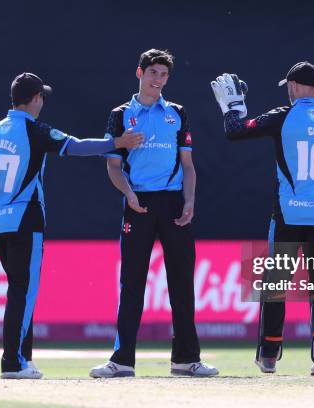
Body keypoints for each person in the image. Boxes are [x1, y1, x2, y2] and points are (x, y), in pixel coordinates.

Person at [0, 72, 143, 379]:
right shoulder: (35, 130)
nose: (42, 101)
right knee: (23, 291)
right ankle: (13, 363)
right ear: (36, 99)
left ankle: (25, 359)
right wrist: (118, 142)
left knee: (21, 290)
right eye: (41, 96)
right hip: (24, 217)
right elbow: (77, 147)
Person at [211, 62, 314, 375]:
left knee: (276, 283)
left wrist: (232, 108)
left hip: (289, 215)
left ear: (292, 86)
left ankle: (268, 353)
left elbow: (235, 131)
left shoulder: (283, 116)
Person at [89, 49, 218, 378]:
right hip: (139, 204)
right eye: (153, 73)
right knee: (132, 284)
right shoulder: (120, 115)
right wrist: (129, 194)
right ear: (140, 73)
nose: (158, 79)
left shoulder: (177, 113)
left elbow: (188, 165)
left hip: (174, 204)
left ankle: (186, 359)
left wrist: (190, 201)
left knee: (181, 284)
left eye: (163, 74)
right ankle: (122, 361)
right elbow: (113, 165)